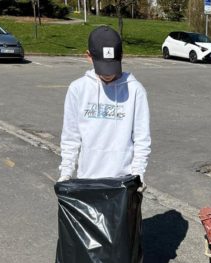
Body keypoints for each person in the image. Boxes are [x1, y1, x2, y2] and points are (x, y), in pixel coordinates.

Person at [58, 25, 151, 189]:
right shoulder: (78, 89)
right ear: (88, 56)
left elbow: (142, 139)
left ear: (121, 56)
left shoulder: (135, 90)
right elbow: (70, 136)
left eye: (112, 66)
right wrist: (65, 172)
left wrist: (138, 175)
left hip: (123, 182)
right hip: (87, 179)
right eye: (102, 67)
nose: (108, 73)